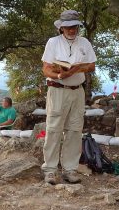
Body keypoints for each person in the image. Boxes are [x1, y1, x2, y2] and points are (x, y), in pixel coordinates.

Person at [40, 10, 97, 185]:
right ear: (61, 27)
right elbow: (46, 68)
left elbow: (92, 66)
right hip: (57, 89)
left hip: (77, 90)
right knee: (53, 128)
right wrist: (59, 75)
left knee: (74, 129)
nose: (71, 30)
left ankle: (70, 169)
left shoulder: (84, 43)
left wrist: (76, 69)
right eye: (68, 27)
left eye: (74, 26)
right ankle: (50, 169)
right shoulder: (53, 42)